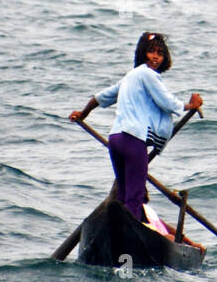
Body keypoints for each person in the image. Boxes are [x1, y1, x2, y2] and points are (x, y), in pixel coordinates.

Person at [69, 32, 202, 223]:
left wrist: (83, 114)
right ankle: (128, 242)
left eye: (160, 53)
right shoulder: (148, 74)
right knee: (134, 197)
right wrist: (190, 105)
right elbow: (167, 102)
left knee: (124, 195)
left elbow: (100, 97)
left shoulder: (129, 77)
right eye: (151, 52)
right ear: (142, 53)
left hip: (115, 140)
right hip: (133, 140)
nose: (155, 57)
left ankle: (126, 233)